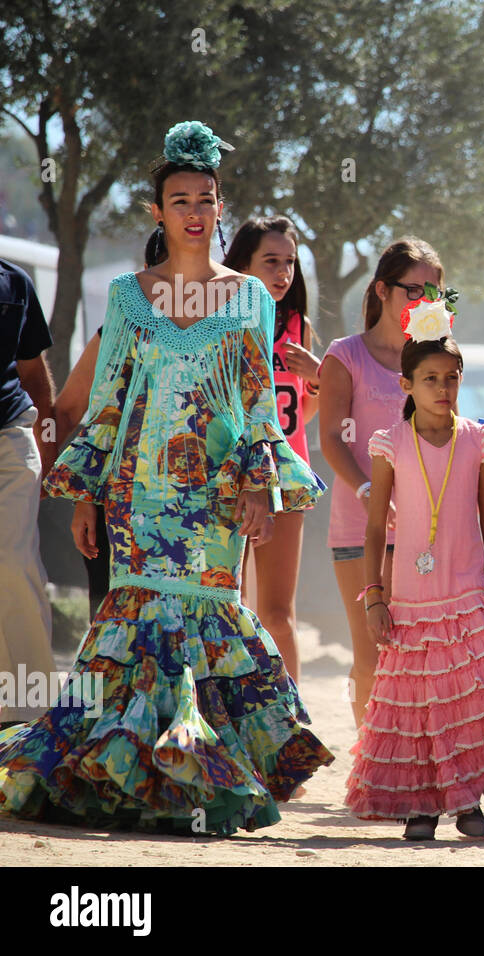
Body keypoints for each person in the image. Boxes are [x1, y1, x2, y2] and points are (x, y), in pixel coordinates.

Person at [0, 121, 331, 833]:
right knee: (137, 619)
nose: (194, 212)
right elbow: (108, 402)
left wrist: (258, 484)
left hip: (215, 496)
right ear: (158, 212)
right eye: (179, 200)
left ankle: (203, 774)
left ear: (220, 207)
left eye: (205, 199)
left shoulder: (251, 297)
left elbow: (256, 402)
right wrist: (87, 495)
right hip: (137, 494)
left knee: (208, 616)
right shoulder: (128, 296)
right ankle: (122, 772)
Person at [345, 310, 484, 839]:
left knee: (466, 699)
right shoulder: (389, 443)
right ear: (406, 385)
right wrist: (374, 597)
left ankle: (468, 803)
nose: (443, 388)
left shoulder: (479, 440)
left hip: (466, 594)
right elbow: (375, 528)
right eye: (430, 379)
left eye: (451, 377)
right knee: (418, 702)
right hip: (409, 601)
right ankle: (421, 807)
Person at [319, 238, 439, 726]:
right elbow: (331, 439)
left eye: (432, 292)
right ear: (382, 290)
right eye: (413, 290)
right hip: (358, 529)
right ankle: (370, 761)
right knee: (372, 654)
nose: (423, 301)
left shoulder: (434, 359)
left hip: (424, 531)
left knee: (421, 656)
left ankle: (411, 760)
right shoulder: (345, 355)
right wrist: (369, 492)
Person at [224, 216, 319, 685]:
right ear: (242, 265)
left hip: (287, 476)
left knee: (278, 612)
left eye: (290, 262)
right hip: (232, 477)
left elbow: (305, 412)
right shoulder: (222, 321)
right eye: (271, 262)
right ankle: (231, 710)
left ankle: (291, 715)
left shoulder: (298, 325)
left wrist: (317, 376)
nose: (284, 273)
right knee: (230, 602)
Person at [0, 256, 57, 726]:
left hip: (10, 437)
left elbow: (35, 375)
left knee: (14, 563)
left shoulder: (14, 282)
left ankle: (32, 714)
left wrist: (49, 452)